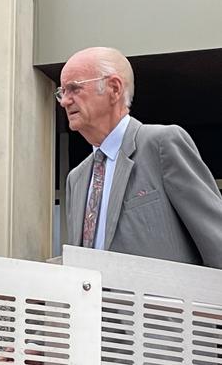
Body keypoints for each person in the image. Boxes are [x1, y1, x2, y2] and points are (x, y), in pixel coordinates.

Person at [59, 47, 222, 268]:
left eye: (74, 89)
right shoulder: (76, 178)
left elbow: (216, 239)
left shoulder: (161, 144)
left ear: (114, 89)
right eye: (62, 92)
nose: (64, 101)